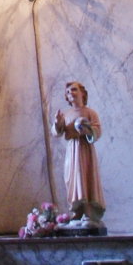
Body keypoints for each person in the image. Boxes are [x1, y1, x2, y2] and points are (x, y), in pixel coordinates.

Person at [53, 81, 106, 225]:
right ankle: (77, 211)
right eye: (68, 92)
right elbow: (57, 133)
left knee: (85, 179)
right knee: (72, 179)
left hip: (85, 150)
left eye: (74, 90)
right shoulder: (66, 114)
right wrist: (57, 123)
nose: (71, 94)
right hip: (72, 150)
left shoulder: (90, 113)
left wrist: (88, 130)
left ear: (83, 93)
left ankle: (88, 213)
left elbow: (97, 130)